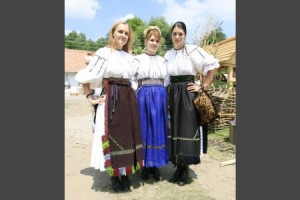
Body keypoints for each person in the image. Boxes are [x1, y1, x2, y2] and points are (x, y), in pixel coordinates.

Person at [74, 21, 144, 192]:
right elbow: (87, 76)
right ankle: (114, 175)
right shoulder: (103, 53)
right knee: (113, 135)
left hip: (127, 99)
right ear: (112, 33)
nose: (123, 36)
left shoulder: (130, 57)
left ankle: (125, 172)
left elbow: (135, 80)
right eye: (120, 32)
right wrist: (90, 96)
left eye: (126, 33)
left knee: (127, 136)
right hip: (111, 98)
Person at [164, 21, 220, 186]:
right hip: (172, 93)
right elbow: (166, 78)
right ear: (171, 35)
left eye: (180, 34)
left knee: (187, 129)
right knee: (174, 128)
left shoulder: (193, 50)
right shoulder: (168, 54)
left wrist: (202, 86)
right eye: (174, 33)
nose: (177, 37)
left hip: (188, 93)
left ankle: (185, 170)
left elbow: (213, 65)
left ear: (185, 35)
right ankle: (178, 168)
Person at [133, 26, 169, 182]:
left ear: (159, 43)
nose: (154, 43)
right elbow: (132, 79)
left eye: (156, 41)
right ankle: (146, 166)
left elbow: (167, 80)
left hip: (160, 95)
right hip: (144, 95)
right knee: (145, 129)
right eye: (151, 40)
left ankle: (155, 166)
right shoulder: (137, 59)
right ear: (146, 41)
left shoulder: (163, 61)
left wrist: (163, 94)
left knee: (158, 129)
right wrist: (137, 94)